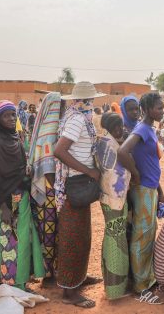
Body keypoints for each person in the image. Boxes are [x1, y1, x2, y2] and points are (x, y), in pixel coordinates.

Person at [53, 82, 105, 308]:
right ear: (84, 101)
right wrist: (89, 171)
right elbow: (59, 150)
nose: (92, 103)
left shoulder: (77, 116)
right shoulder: (76, 120)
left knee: (81, 235)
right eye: (90, 100)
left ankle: (78, 279)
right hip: (74, 183)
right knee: (72, 238)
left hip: (78, 182)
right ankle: (69, 291)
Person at [0, 101, 44, 290]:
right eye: (6, 115)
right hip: (7, 200)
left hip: (22, 196)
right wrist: (3, 207)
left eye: (13, 114)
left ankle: (22, 282)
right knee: (9, 244)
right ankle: (12, 285)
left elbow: (20, 169)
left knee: (23, 241)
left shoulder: (16, 140)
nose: (12, 119)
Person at [118, 92, 164, 301]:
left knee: (147, 235)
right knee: (141, 238)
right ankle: (140, 287)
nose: (161, 111)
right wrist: (136, 173)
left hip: (150, 188)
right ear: (146, 110)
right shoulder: (142, 129)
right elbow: (122, 151)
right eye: (157, 108)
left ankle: (146, 278)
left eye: (162, 108)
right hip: (144, 188)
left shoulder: (149, 128)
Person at [95, 113, 130, 300]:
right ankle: (115, 290)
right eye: (115, 127)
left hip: (109, 198)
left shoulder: (102, 141)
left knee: (113, 236)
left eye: (120, 126)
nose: (119, 130)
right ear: (108, 127)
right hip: (114, 199)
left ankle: (113, 286)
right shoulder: (110, 144)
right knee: (116, 241)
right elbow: (119, 172)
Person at [27, 92, 62, 280]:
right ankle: (48, 272)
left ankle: (51, 268)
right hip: (49, 190)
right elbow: (48, 169)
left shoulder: (46, 129)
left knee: (48, 230)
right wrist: (56, 191)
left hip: (48, 189)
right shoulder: (49, 131)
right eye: (61, 105)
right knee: (49, 230)